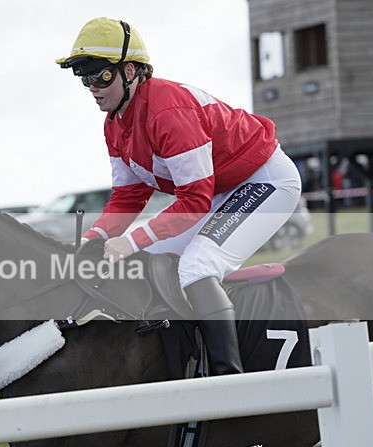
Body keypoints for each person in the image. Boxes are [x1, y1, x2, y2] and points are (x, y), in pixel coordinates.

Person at [57, 17, 302, 376]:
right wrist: (94, 239)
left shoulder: (167, 111)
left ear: (130, 71)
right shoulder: (114, 124)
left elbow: (194, 202)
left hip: (264, 182)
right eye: (84, 78)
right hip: (217, 191)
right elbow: (127, 199)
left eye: (100, 75)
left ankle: (228, 375)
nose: (92, 87)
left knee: (197, 266)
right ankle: (182, 360)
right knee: (144, 262)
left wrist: (132, 240)